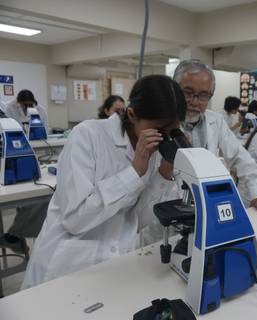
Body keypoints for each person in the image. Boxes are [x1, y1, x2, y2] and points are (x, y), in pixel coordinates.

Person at [21, 75, 186, 289]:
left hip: (116, 266)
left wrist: (164, 173)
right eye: (159, 129)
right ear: (132, 114)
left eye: (170, 131)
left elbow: (136, 220)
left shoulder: (154, 150)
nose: (164, 138)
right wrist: (134, 172)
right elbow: (75, 218)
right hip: (66, 268)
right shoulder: (87, 135)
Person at [173, 59, 257, 213]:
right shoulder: (158, 121)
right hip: (169, 206)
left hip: (206, 202)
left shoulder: (215, 121)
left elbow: (241, 157)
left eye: (203, 95)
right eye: (187, 93)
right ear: (174, 90)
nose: (194, 102)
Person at [0, 90, 49, 254]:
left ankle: (14, 235)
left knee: (36, 196)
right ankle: (14, 236)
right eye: (25, 105)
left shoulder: (3, 111)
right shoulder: (9, 108)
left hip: (14, 156)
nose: (27, 107)